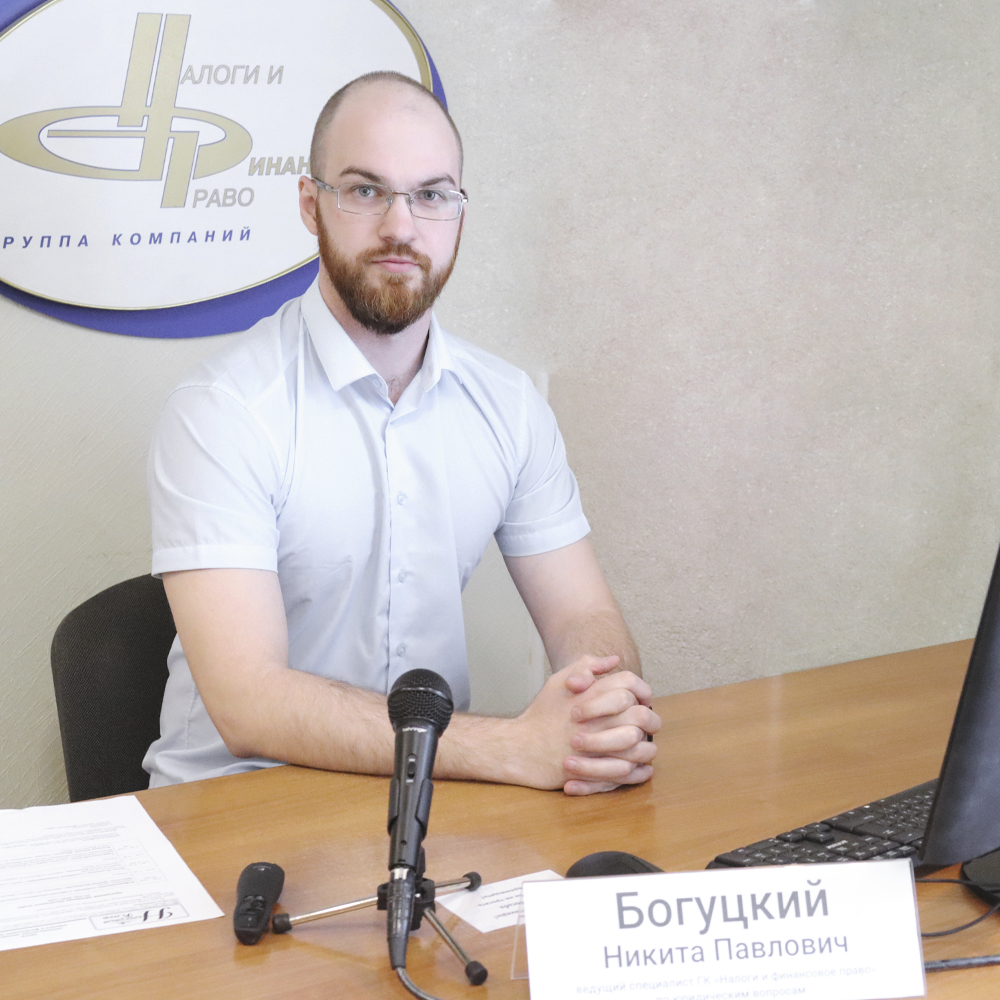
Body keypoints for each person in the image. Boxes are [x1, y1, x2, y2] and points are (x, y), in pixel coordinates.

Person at [143, 71, 660, 794]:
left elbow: (585, 613)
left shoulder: (508, 405)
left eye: (431, 195)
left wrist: (598, 706)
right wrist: (511, 748)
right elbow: (248, 704)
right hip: (236, 803)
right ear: (310, 204)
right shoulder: (224, 410)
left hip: (431, 796)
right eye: (365, 190)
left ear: (459, 214)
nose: (401, 226)